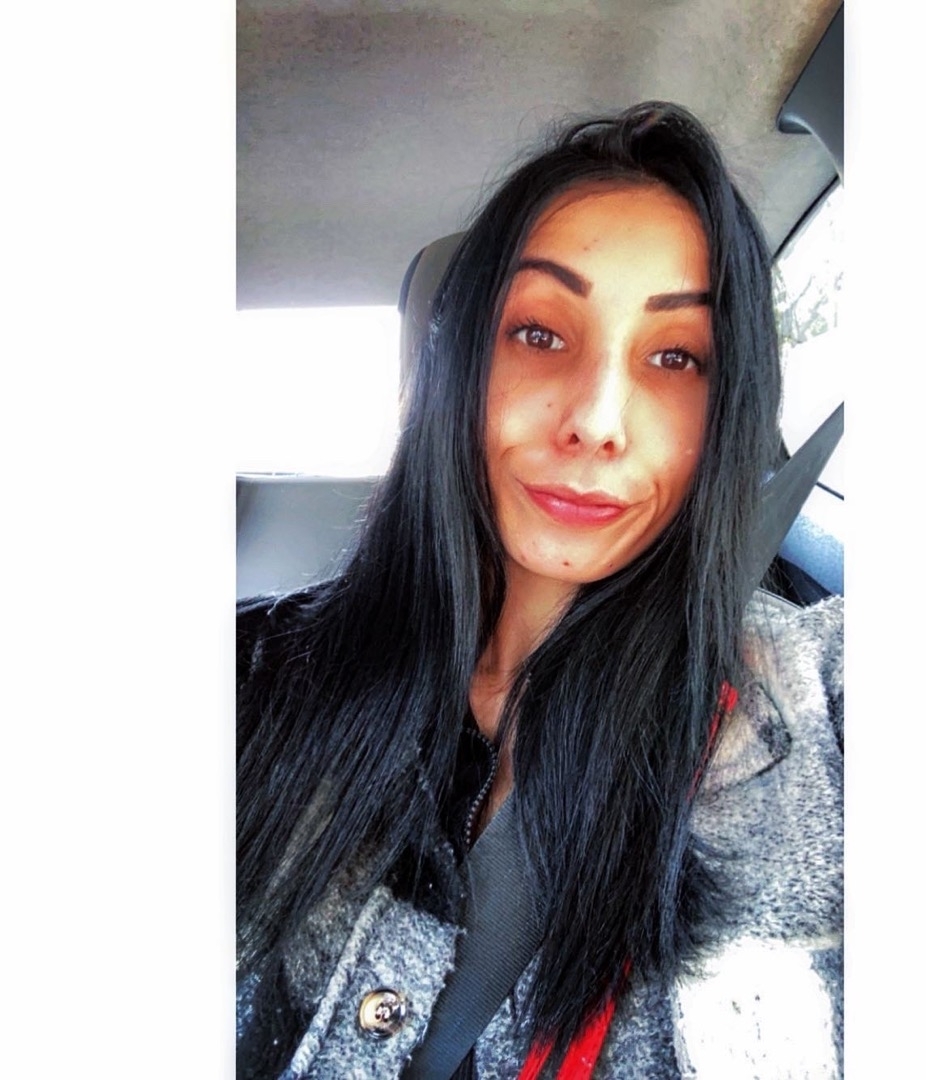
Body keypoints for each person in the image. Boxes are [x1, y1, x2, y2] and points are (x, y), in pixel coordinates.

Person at [236, 101, 843, 1080]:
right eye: (538, 334)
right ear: (458, 366)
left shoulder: (818, 709)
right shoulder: (255, 678)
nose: (598, 420)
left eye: (677, 357)